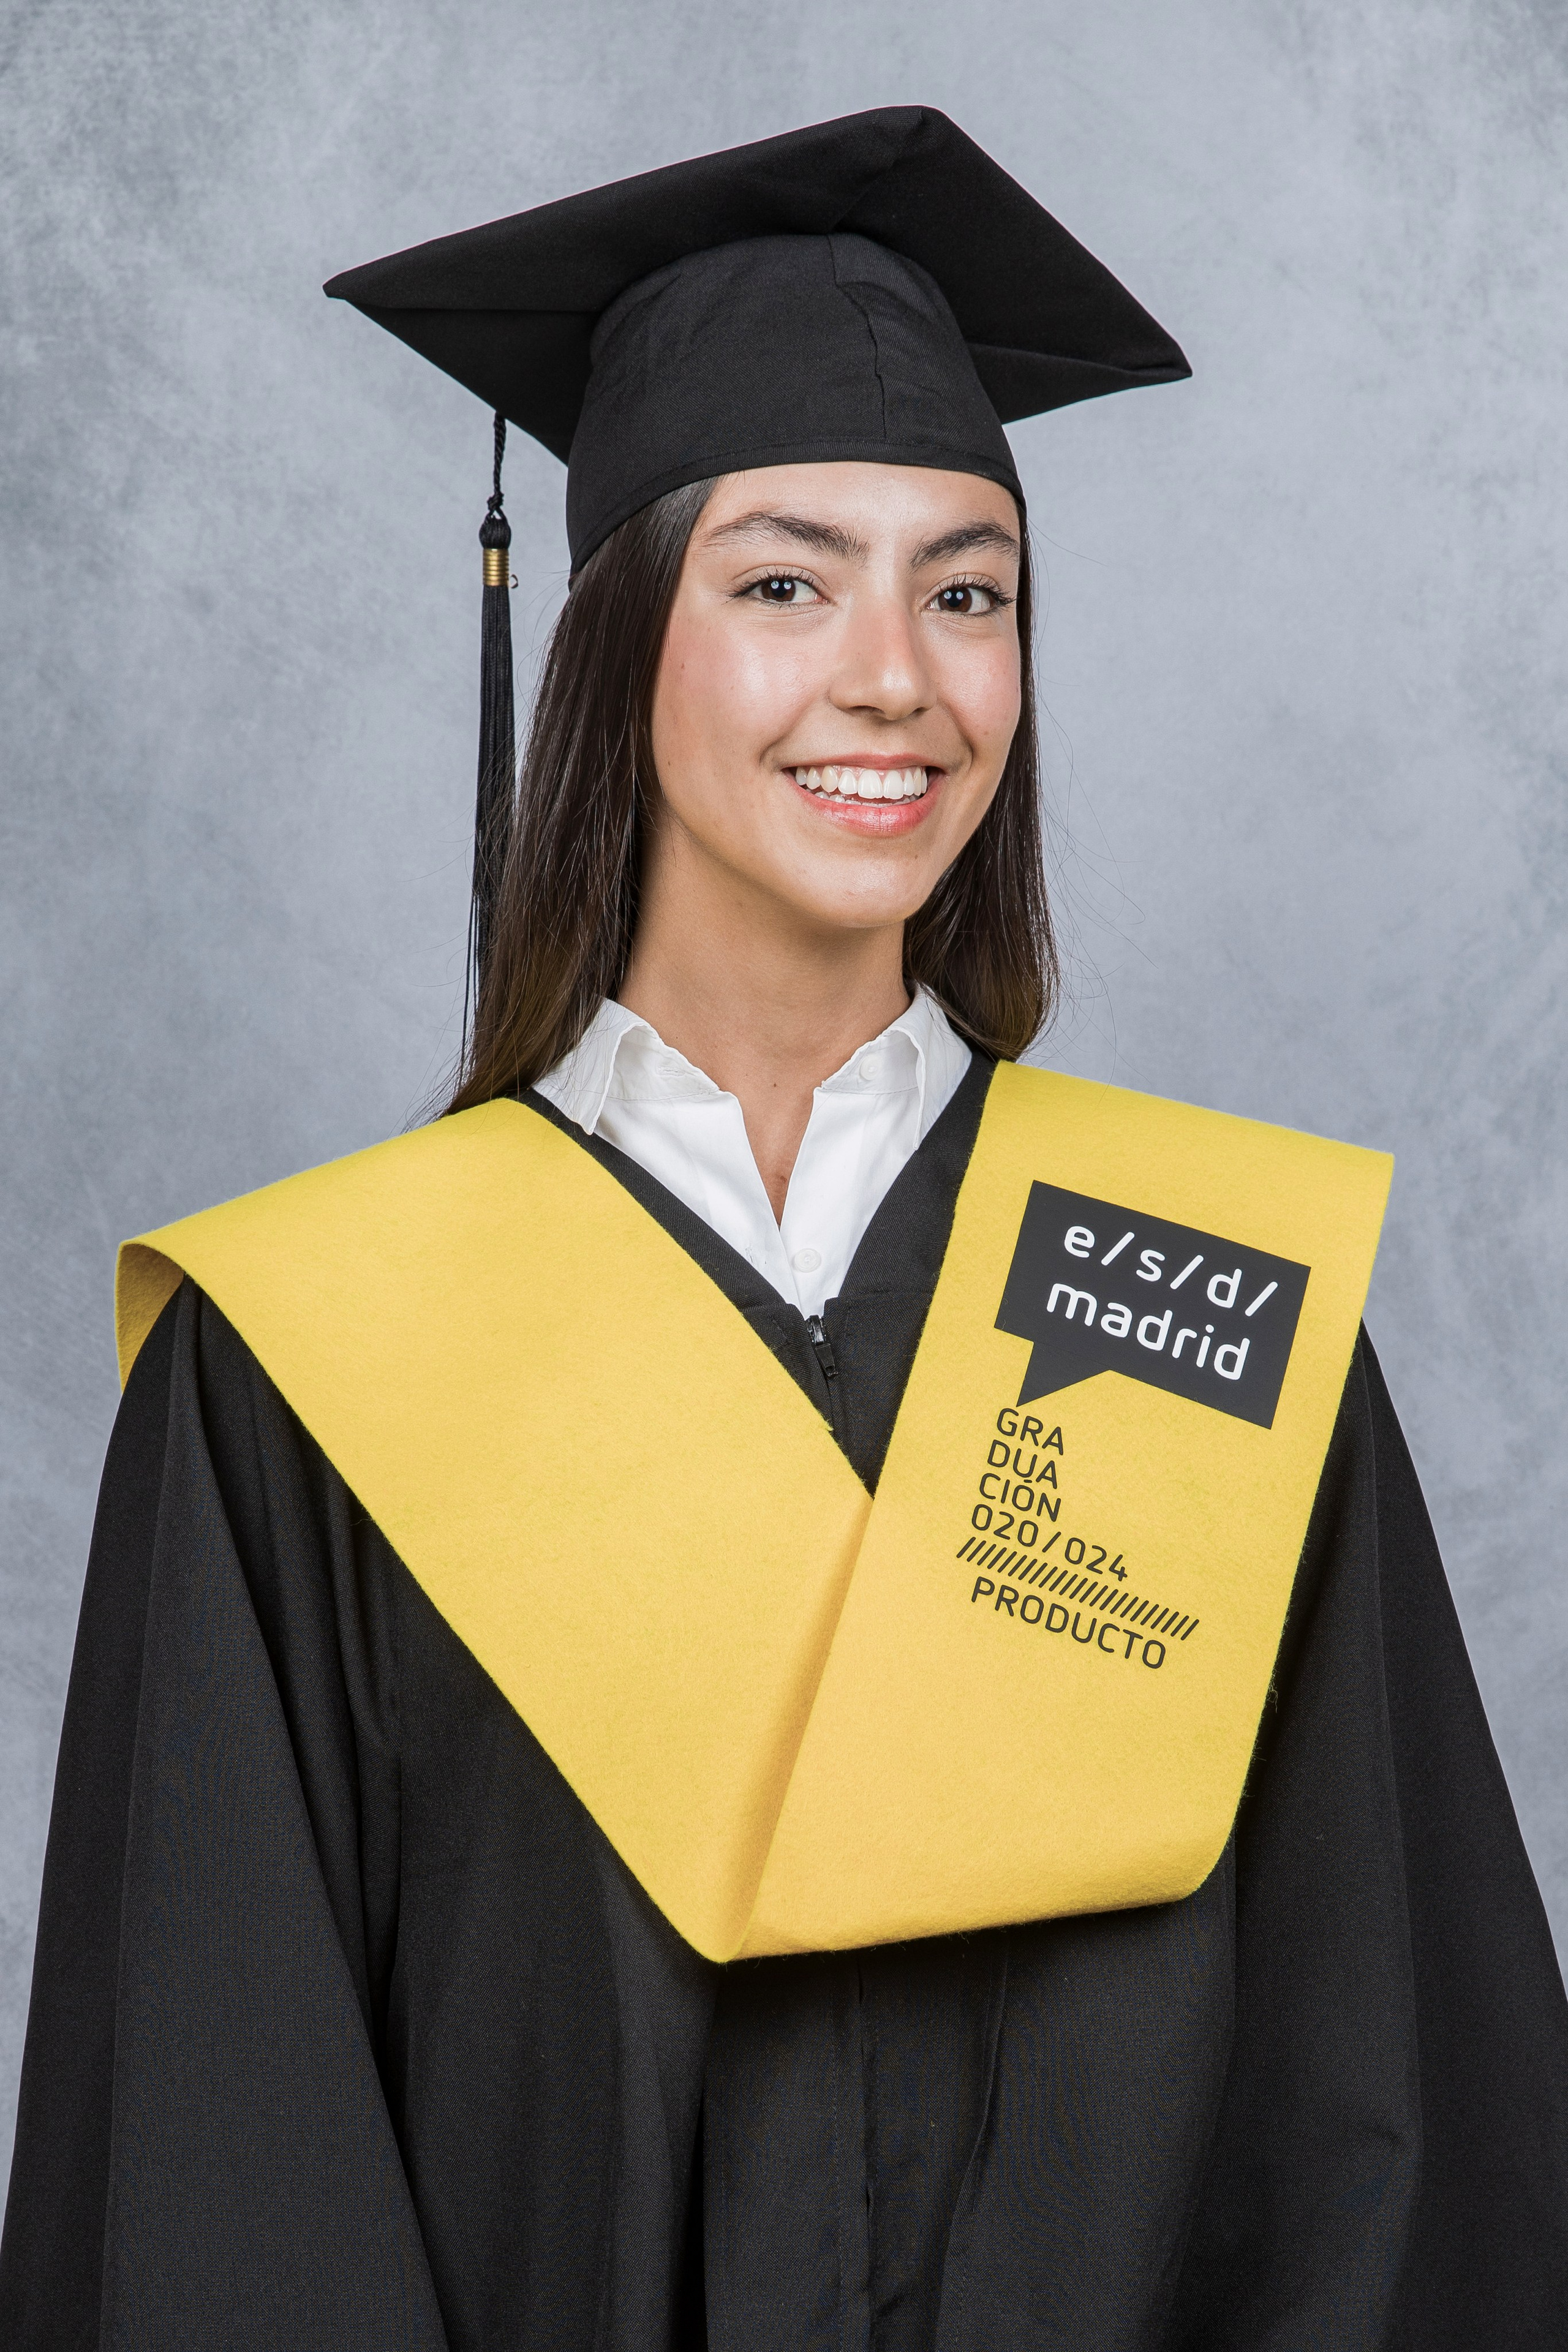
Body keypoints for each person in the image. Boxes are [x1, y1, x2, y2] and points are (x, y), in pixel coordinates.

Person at [2, 105, 1566, 2352]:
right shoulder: (306, 1368)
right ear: (615, 640)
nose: (896, 676)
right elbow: (222, 2163)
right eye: (782, 582)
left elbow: (1393, 2120)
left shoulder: (1209, 1306)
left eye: (969, 591)